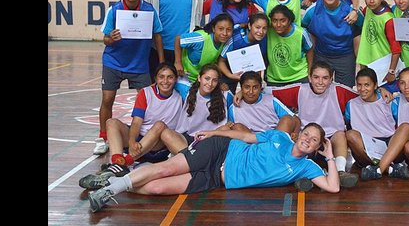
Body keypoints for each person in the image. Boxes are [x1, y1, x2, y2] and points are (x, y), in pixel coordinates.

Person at [85, 123, 340, 212]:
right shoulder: (280, 138)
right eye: (306, 134)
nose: (308, 140)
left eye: (315, 140)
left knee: (157, 187)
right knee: (164, 169)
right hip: (219, 151)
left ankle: (112, 181)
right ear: (299, 134)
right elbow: (246, 137)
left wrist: (329, 156)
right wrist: (214, 133)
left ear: (317, 146)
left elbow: (332, 188)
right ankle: (108, 191)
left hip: (217, 179)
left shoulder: (306, 168)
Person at [264, 61, 392, 190]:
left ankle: (340, 172)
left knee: (341, 134)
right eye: (316, 77)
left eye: (325, 78)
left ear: (331, 79)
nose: (320, 82)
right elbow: (269, 91)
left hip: (331, 140)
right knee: (299, 143)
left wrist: (381, 89)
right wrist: (242, 92)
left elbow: (365, 92)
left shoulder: (339, 90)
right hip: (309, 138)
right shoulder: (300, 90)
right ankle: (300, 175)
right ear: (309, 77)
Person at [93, 0, 164, 155]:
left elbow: (157, 35)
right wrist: (112, 38)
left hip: (139, 64)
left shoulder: (149, 10)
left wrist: (162, 62)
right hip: (113, 62)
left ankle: (144, 136)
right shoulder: (114, 10)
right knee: (107, 99)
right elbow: (105, 39)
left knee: (148, 102)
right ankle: (102, 137)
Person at [84, 63, 184, 182]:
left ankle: (125, 162)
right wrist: (131, 141)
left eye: (170, 77)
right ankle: (118, 162)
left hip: (158, 146)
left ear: (175, 79)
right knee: (111, 122)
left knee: (160, 125)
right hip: (138, 143)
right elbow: (136, 122)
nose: (165, 81)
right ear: (156, 79)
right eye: (161, 77)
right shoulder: (146, 93)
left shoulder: (180, 97)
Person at [145, 0, 214, 81]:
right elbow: (146, 12)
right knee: (160, 88)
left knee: (185, 90)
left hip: (186, 49)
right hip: (159, 48)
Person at [345, 68, 409, 180]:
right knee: (350, 134)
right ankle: (389, 168)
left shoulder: (388, 100)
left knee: (406, 127)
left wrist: (382, 89)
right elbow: (347, 124)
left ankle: (379, 168)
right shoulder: (351, 104)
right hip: (366, 147)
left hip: (390, 145)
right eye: (359, 85)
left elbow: (399, 123)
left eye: (367, 85)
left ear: (375, 85)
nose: (362, 89)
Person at [302, 0, 362, 87]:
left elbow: (362, 28)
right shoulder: (313, 10)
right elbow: (304, 28)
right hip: (322, 55)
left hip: (345, 56)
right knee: (319, 89)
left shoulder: (350, 10)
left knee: (344, 92)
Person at [173, 13, 234, 98]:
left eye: (228, 30)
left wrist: (219, 82)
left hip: (203, 79)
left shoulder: (225, 42)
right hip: (185, 77)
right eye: (221, 29)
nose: (224, 33)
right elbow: (178, 39)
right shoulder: (201, 38)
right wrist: (177, 62)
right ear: (213, 28)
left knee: (227, 95)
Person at [356, 0, 402, 86]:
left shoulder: (388, 19)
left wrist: (391, 71)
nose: (371, 1)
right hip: (366, 63)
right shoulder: (367, 10)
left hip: (382, 68)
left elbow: (396, 49)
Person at [227, 71, 300, 135]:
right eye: (247, 87)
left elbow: (295, 119)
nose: (251, 92)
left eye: (255, 87)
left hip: (276, 139)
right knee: (237, 127)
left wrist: (295, 134)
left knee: (287, 118)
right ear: (241, 88)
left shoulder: (271, 100)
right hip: (252, 143)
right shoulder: (233, 108)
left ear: (260, 88)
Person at [217, 12, 269, 93]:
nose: (261, 31)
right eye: (257, 27)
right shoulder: (235, 39)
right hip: (228, 74)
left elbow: (257, 63)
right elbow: (221, 61)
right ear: (249, 26)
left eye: (264, 28)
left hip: (248, 75)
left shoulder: (264, 40)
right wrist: (230, 75)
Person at [265, 5, 314, 86]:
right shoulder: (268, 30)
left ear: (289, 20)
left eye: (282, 20)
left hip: (299, 76)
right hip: (274, 79)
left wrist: (309, 72)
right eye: (274, 21)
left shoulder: (301, 33)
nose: (278, 25)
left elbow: (310, 50)